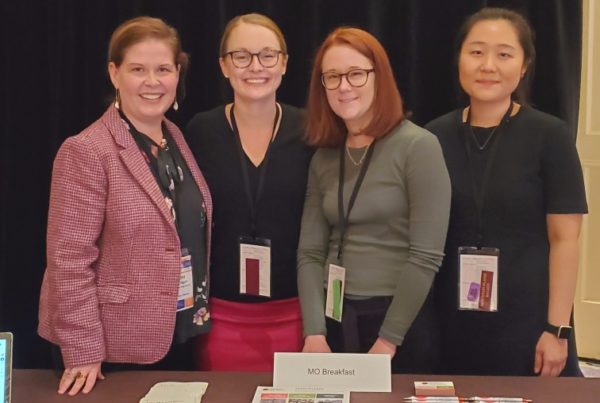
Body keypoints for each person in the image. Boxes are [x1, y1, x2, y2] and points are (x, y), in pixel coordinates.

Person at [38, 16, 212, 395]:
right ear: (114, 73)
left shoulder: (174, 137)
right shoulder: (86, 151)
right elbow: (68, 260)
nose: (153, 82)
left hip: (176, 330)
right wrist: (83, 349)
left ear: (177, 74)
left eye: (163, 69)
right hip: (109, 349)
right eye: (138, 69)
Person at [425, 7, 587, 376]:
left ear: (524, 65)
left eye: (504, 54)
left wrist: (557, 329)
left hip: (529, 325)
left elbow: (565, 240)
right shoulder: (432, 137)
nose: (488, 66)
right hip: (451, 322)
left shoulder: (550, 136)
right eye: (477, 52)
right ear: (460, 59)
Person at [297, 27, 451, 374]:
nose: (344, 86)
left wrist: (387, 341)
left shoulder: (418, 147)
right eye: (332, 77)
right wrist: (315, 333)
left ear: (379, 77)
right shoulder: (323, 157)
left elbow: (426, 256)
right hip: (333, 319)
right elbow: (309, 252)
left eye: (356, 74)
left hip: (398, 326)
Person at [185, 13, 313, 371]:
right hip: (220, 317)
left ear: (284, 63)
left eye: (267, 55)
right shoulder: (200, 131)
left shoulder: (311, 129)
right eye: (241, 56)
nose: (255, 66)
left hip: (298, 317)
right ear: (224, 66)